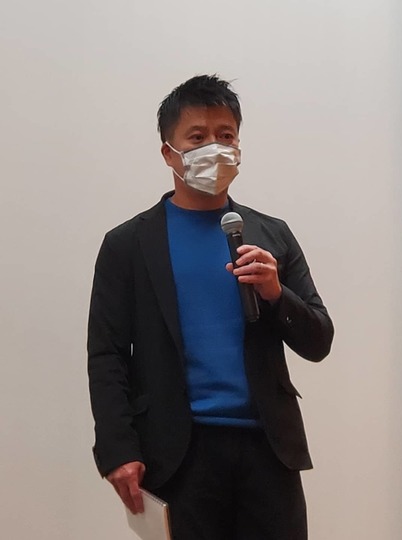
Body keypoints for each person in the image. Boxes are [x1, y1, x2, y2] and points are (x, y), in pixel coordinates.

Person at [87, 74, 334, 540]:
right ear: (169, 152)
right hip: (178, 454)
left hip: (269, 449)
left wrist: (276, 294)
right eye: (197, 138)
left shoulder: (272, 234)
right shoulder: (128, 244)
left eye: (226, 136)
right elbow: (107, 354)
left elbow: (319, 340)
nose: (215, 149)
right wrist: (118, 448)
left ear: (239, 146)